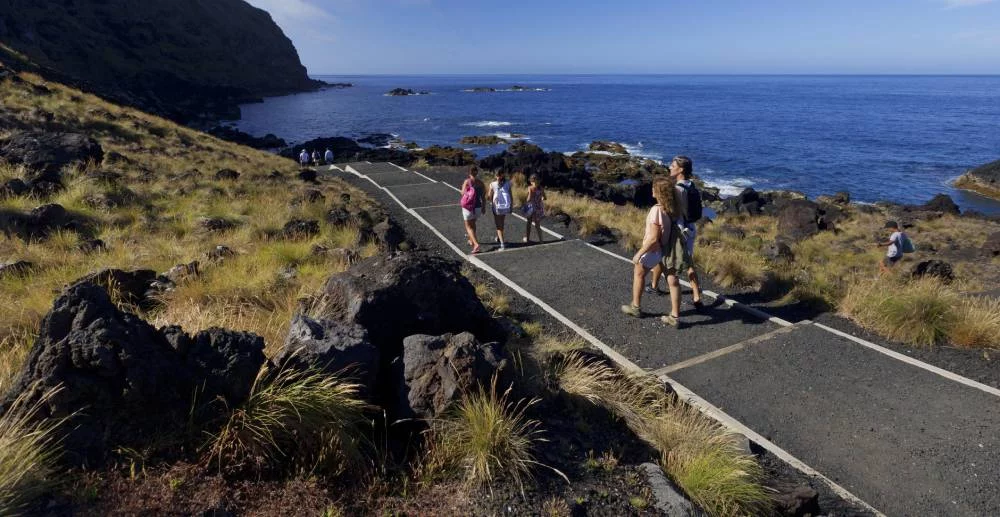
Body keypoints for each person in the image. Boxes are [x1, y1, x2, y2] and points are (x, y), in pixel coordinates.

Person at [621, 178, 687, 327]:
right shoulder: (673, 208)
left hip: (654, 251)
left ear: (659, 192)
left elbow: (652, 238)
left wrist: (639, 254)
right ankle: (675, 317)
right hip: (667, 250)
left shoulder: (656, 210)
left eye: (654, 188)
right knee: (673, 282)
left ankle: (635, 307)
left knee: (639, 274)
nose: (652, 190)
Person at [648, 155, 704, 312]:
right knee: (688, 262)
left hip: (679, 231)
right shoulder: (691, 185)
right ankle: (696, 296)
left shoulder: (677, 189)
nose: (670, 167)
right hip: (691, 228)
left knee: (666, 259)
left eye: (673, 165)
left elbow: (672, 211)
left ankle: (656, 288)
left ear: (681, 169)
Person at [460, 166, 487, 254]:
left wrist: (464, 188)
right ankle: (471, 240)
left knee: (468, 226)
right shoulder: (481, 183)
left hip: (468, 207)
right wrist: (484, 207)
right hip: (478, 207)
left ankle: (476, 244)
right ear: (476, 173)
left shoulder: (467, 181)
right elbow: (483, 197)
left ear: (469, 173)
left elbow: (463, 193)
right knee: (473, 224)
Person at [486, 170, 513, 250]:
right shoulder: (508, 183)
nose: (497, 177)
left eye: (497, 175)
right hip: (505, 207)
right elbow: (511, 196)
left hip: (496, 207)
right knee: (502, 223)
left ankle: (502, 244)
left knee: (498, 226)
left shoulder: (492, 184)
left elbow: (489, 197)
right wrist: (511, 207)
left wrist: (488, 198)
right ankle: (498, 237)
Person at [523, 173, 547, 243]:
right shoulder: (541, 188)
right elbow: (544, 197)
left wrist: (525, 202)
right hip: (539, 208)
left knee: (529, 223)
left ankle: (527, 238)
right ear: (539, 181)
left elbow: (529, 198)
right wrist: (541, 198)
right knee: (537, 225)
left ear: (531, 181)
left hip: (531, 208)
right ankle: (541, 240)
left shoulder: (530, 188)